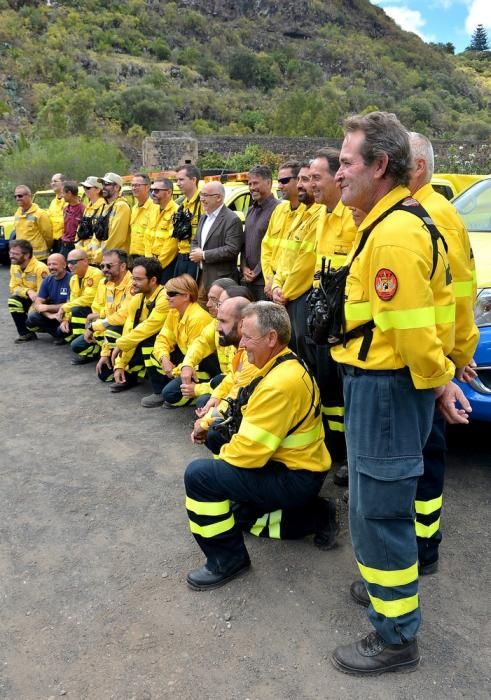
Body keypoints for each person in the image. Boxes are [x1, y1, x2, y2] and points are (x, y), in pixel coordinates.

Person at [329, 111, 456, 675]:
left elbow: (411, 330)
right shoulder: (385, 225)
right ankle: (387, 596)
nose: (337, 174)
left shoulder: (397, 233)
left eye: (346, 162)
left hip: (385, 389)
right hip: (376, 386)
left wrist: (439, 381)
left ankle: (397, 637)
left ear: (381, 166)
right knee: (373, 508)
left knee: (378, 514)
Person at [183, 302, 336, 591]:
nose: (241, 344)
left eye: (247, 337)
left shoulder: (279, 383)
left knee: (200, 477)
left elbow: (246, 453)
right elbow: (238, 401)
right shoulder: (277, 363)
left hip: (295, 477)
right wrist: (207, 425)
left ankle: (228, 560)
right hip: (293, 466)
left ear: (271, 339)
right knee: (219, 447)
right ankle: (304, 512)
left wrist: (219, 472)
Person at [408, 132, 479, 575]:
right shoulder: (431, 212)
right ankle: (422, 539)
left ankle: (424, 548)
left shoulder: (432, 215)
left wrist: (451, 360)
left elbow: (455, 299)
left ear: (416, 168)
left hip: (432, 364)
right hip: (437, 357)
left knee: (427, 462)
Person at [309, 148, 358, 487]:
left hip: (345, 322)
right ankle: (335, 449)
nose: (311, 184)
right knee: (328, 387)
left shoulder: (351, 216)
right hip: (323, 316)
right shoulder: (323, 215)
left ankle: (348, 455)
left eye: (317, 177)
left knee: (344, 392)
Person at [271, 162, 323, 357]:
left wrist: (283, 292)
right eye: (299, 179)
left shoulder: (320, 215)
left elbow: (305, 264)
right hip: (287, 295)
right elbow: (286, 256)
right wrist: (276, 284)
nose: (301, 184)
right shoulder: (301, 215)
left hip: (300, 296)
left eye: (307, 179)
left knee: (304, 351)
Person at [141, 274, 216, 407]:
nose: (166, 297)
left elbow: (196, 356)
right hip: (186, 360)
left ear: (186, 296)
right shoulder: (174, 311)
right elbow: (162, 338)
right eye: (166, 293)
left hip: (202, 365)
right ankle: (162, 388)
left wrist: (174, 371)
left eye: (171, 293)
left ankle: (198, 392)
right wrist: (164, 359)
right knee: (151, 350)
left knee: (170, 395)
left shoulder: (197, 318)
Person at [104, 257, 168, 392]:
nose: (133, 283)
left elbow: (148, 328)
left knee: (149, 340)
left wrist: (121, 344)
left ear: (153, 280)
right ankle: (132, 375)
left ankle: (160, 388)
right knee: (104, 372)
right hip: (143, 339)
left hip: (169, 347)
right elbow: (129, 328)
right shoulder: (138, 298)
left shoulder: (164, 298)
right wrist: (120, 364)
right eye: (133, 278)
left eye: (138, 279)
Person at [178, 278, 238, 407]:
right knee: (171, 393)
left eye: (215, 300)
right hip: (224, 377)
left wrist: (198, 389)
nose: (208, 304)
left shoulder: (243, 329)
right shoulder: (216, 321)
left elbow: (234, 378)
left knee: (202, 401)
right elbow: (201, 342)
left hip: (232, 382)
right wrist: (187, 365)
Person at [70, 248, 133, 365]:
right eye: (102, 266)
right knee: (76, 345)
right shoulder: (105, 283)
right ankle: (101, 350)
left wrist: (94, 326)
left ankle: (125, 369)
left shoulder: (132, 285)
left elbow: (122, 316)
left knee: (104, 373)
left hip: (123, 330)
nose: (104, 270)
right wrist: (98, 322)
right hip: (106, 325)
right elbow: (96, 306)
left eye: (109, 266)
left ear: (123, 266)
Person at [190, 181, 243, 296]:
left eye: (205, 195)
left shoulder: (232, 219)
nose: (202, 199)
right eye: (201, 195)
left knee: (219, 312)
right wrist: (194, 252)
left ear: (218, 198)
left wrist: (203, 255)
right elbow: (195, 241)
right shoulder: (204, 217)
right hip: (201, 276)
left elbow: (232, 249)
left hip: (221, 282)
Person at [261, 161, 303, 298]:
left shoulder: (310, 213)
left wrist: (278, 284)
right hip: (273, 285)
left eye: (284, 181)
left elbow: (302, 260)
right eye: (278, 181)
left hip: (291, 289)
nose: (279, 186)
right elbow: (266, 248)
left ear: (299, 180)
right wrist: (270, 280)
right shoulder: (279, 210)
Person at [241, 165, 279, 300]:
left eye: (255, 183)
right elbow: (245, 243)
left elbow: (275, 249)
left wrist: (256, 272)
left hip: (265, 282)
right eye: (249, 184)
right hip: (248, 280)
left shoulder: (278, 210)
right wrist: (244, 267)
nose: (251, 188)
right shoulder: (250, 210)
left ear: (269, 183)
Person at [56, 250, 103, 343]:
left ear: (85, 261)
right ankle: (77, 337)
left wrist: (64, 307)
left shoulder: (96, 274)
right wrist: (66, 319)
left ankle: (84, 343)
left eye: (73, 262)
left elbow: (89, 299)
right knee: (59, 332)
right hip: (81, 311)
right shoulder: (73, 278)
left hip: (96, 312)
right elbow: (72, 301)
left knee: (77, 310)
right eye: (68, 262)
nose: (69, 266)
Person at [8, 239, 48, 342]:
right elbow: (13, 288)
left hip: (43, 301)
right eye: (10, 252)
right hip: (28, 297)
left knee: (32, 319)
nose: (11, 256)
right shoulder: (14, 266)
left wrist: (33, 309)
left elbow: (44, 294)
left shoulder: (40, 268)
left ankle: (56, 331)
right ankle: (26, 334)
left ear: (26, 255)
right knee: (13, 301)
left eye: (15, 254)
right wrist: (28, 291)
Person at [26, 253, 71, 340]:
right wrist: (50, 315)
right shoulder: (47, 280)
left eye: (54, 264)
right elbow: (38, 304)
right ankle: (59, 334)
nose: (51, 267)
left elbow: (71, 305)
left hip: (67, 316)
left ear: (64, 265)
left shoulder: (72, 279)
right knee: (32, 317)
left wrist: (47, 307)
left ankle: (61, 334)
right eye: (49, 264)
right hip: (54, 315)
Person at [145, 178, 179, 283]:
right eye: (152, 190)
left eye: (156, 191)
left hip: (166, 265)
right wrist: (149, 261)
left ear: (169, 192)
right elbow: (148, 236)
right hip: (152, 263)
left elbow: (171, 244)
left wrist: (158, 264)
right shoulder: (154, 210)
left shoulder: (176, 211)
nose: (153, 194)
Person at [174, 165, 203, 279]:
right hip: (181, 256)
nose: (178, 183)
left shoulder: (203, 202)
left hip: (195, 258)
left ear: (193, 180)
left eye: (181, 179)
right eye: (177, 180)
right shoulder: (182, 204)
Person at [12, 186, 52, 261]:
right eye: (15, 196)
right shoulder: (17, 213)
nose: (17, 198)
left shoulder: (40, 214)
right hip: (22, 257)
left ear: (29, 196)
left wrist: (47, 248)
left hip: (38, 258)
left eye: (20, 196)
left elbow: (48, 236)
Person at [99, 172, 131, 254]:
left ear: (117, 187)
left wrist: (97, 256)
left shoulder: (122, 207)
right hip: (103, 256)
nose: (103, 187)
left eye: (106, 184)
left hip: (115, 258)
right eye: (102, 184)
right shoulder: (106, 206)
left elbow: (116, 240)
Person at [75, 176, 105, 264]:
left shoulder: (103, 207)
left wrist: (87, 252)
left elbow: (98, 234)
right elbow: (80, 230)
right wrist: (79, 249)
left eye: (88, 187)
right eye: (84, 187)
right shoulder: (88, 207)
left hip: (95, 257)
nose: (85, 189)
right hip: (84, 256)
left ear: (98, 190)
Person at [129, 173, 155, 257]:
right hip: (133, 255)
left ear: (147, 187)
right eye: (132, 185)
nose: (134, 188)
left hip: (147, 256)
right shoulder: (134, 208)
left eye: (137, 185)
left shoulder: (155, 208)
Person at [60, 180, 85, 259]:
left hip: (75, 246)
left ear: (69, 193)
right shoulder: (65, 209)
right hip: (64, 246)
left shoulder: (83, 210)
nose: (61, 195)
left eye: (63, 193)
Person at [47, 173, 66, 253]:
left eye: (55, 181)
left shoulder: (69, 201)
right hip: (54, 242)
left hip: (64, 242)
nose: (52, 183)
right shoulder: (53, 202)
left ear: (63, 183)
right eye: (52, 181)